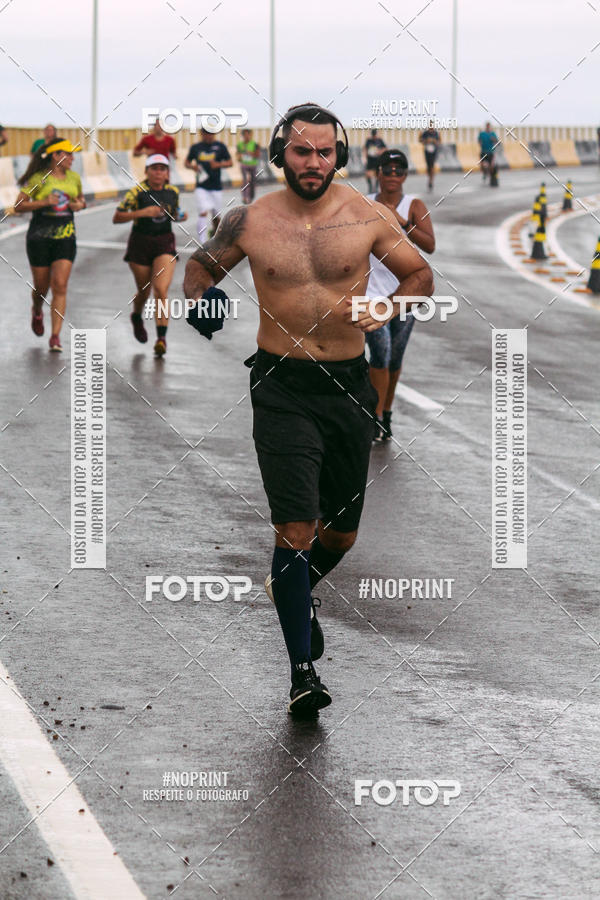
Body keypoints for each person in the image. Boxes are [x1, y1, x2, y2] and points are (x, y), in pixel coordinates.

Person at [183, 103, 433, 716]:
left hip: (348, 384)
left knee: (339, 536)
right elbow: (198, 268)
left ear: (339, 156)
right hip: (281, 385)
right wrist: (199, 299)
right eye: (301, 151)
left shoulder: (367, 216)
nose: (314, 163)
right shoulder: (249, 219)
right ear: (281, 155)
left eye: (324, 152)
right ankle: (302, 671)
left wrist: (388, 307)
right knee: (295, 530)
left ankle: (291, 590)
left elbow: (420, 275)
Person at [364, 151, 435, 442]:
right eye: (387, 170)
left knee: (394, 360)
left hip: (405, 294)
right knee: (380, 354)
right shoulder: (365, 203)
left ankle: (387, 414)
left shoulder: (414, 205)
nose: (393, 176)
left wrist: (403, 223)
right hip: (371, 294)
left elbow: (430, 245)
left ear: (405, 175)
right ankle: (375, 417)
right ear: (378, 173)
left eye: (399, 171)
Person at [112, 154, 187, 357]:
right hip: (140, 243)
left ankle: (161, 338)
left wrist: (181, 216)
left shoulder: (172, 192)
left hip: (164, 243)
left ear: (167, 173)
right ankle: (136, 315)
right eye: (154, 168)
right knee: (143, 291)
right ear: (147, 171)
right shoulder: (137, 192)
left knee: (161, 290)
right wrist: (142, 213)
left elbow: (177, 212)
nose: (158, 172)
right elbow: (117, 217)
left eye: (162, 169)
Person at [15, 139, 85, 351]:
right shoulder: (40, 178)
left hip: (65, 236)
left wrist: (78, 204)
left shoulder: (74, 178)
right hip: (40, 237)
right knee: (42, 287)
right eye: (69, 154)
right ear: (56, 155)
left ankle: (55, 336)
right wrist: (45, 202)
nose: (73, 158)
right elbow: (19, 206)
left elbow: (81, 200)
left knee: (60, 285)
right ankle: (37, 309)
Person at [185, 127, 232, 241]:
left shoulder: (220, 146)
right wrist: (193, 166)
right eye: (206, 133)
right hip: (201, 186)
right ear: (201, 133)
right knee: (203, 211)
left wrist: (218, 164)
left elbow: (230, 162)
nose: (209, 135)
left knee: (216, 216)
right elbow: (187, 162)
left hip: (216, 186)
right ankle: (202, 241)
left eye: (211, 133)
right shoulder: (196, 148)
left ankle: (216, 237)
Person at [236, 128, 260, 204]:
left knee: (252, 182)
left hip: (253, 165)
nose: (246, 136)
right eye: (245, 135)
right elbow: (238, 155)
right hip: (244, 165)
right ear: (242, 136)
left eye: (248, 135)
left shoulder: (255, 144)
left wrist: (250, 153)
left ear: (250, 135)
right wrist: (239, 157)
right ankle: (245, 197)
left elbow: (257, 155)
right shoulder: (240, 145)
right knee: (245, 180)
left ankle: (251, 196)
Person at [419, 120, 440, 190]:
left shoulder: (436, 133)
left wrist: (434, 141)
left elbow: (439, 142)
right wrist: (426, 141)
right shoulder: (425, 133)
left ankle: (431, 181)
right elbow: (421, 140)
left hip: (434, 152)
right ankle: (429, 177)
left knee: (432, 166)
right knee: (428, 167)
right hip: (427, 151)